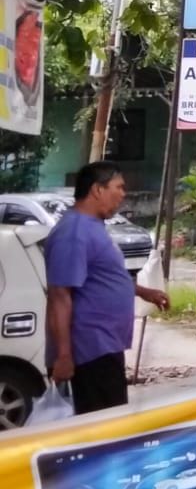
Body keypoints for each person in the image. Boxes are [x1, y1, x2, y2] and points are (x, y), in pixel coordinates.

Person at [44, 161, 170, 414]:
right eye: (118, 187)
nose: (123, 195)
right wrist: (65, 355)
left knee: (110, 425)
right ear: (97, 190)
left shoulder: (93, 227)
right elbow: (60, 296)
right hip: (88, 352)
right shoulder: (73, 232)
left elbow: (104, 276)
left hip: (104, 347)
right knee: (100, 432)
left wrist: (145, 292)